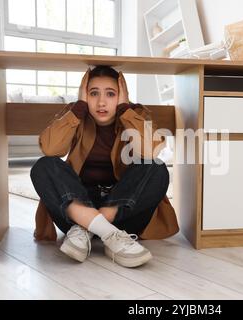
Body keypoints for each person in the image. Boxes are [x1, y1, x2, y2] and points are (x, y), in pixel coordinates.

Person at [30, 66, 179, 268]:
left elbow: (149, 152)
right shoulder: (76, 113)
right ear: (84, 95)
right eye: (93, 93)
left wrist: (125, 109)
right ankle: (108, 234)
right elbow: (50, 148)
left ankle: (90, 227)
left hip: (124, 211)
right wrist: (79, 107)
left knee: (155, 167)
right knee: (44, 165)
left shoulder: (135, 113)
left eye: (110, 94)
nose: (101, 102)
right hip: (75, 209)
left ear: (122, 95)